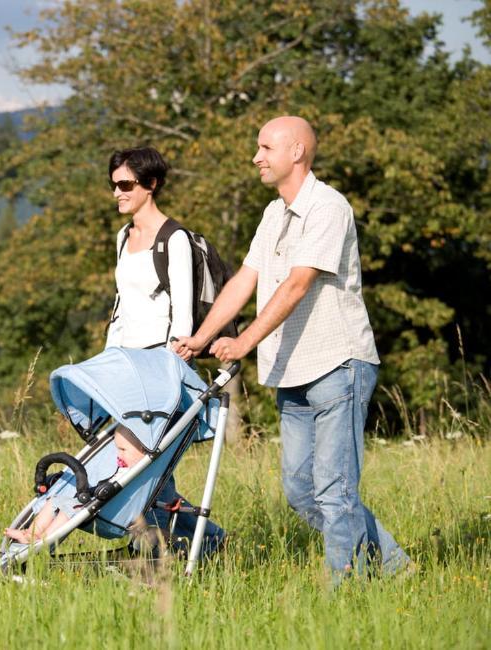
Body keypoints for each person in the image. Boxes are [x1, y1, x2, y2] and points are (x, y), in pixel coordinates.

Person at [172, 115, 411, 581]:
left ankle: (345, 593)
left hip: (337, 363)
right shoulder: (273, 213)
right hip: (292, 370)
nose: (256, 157)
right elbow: (245, 279)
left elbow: (299, 284)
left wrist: (243, 341)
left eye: (265, 147)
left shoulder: (327, 207)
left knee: (334, 491)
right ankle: (396, 569)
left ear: (296, 152)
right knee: (302, 490)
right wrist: (201, 338)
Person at [105, 146, 226, 556]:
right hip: (125, 366)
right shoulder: (123, 237)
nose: (117, 193)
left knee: (149, 469)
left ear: (150, 184)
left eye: (125, 184)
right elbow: (121, 305)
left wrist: (171, 368)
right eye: (114, 184)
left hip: (158, 367)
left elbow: (182, 317)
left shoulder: (173, 239)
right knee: (148, 469)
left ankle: (166, 549)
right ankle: (202, 540)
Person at [5, 425, 145, 544]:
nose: (118, 455)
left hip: (109, 515)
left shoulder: (140, 471)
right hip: (94, 503)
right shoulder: (124, 467)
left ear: (143, 449)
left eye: (123, 450)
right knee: (54, 500)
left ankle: (43, 539)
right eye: (117, 449)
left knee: (69, 508)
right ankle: (31, 533)